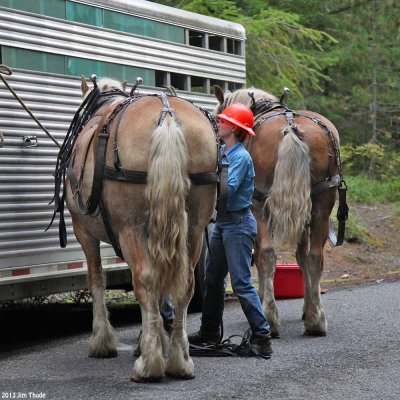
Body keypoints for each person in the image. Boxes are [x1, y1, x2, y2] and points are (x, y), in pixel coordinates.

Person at [188, 103, 272, 357]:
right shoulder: (223, 152)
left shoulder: (241, 157)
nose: (218, 123)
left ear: (235, 128)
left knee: (241, 283)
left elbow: (228, 189)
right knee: (212, 279)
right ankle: (210, 331)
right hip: (223, 224)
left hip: (238, 224)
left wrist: (197, 190)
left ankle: (262, 336)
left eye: (223, 121)